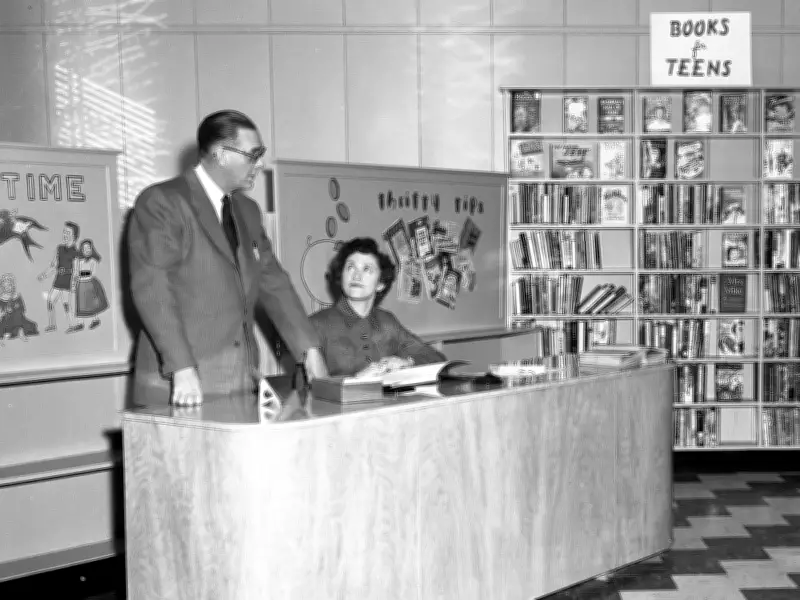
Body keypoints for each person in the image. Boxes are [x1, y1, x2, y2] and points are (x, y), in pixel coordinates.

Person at [127, 109, 327, 406]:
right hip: (179, 384)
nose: (260, 164)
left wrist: (308, 348)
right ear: (221, 155)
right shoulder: (163, 202)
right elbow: (153, 291)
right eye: (253, 154)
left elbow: (274, 282)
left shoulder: (247, 211)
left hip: (238, 382)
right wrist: (182, 368)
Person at [309, 237, 445, 377]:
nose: (356, 275)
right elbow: (313, 387)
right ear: (341, 275)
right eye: (350, 267)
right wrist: (356, 380)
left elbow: (435, 358)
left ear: (380, 284)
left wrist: (407, 363)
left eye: (366, 269)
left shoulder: (387, 322)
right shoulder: (315, 324)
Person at [36, 221, 80, 333]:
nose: (65, 235)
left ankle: (72, 325)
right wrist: (44, 275)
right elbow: (53, 265)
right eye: (64, 232)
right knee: (50, 301)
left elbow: (76, 270)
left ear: (74, 236)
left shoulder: (75, 252)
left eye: (68, 233)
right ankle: (52, 324)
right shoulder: (59, 248)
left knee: (66, 304)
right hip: (58, 279)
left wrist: (74, 283)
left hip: (67, 281)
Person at [70, 238, 109, 331]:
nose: (87, 250)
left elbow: (93, 273)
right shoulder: (78, 261)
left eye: (89, 248)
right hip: (81, 284)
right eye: (84, 248)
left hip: (90, 283)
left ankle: (95, 320)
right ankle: (80, 323)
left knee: (92, 303)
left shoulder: (93, 261)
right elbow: (75, 273)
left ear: (92, 249)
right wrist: (73, 284)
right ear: (81, 250)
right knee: (80, 304)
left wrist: (84, 275)